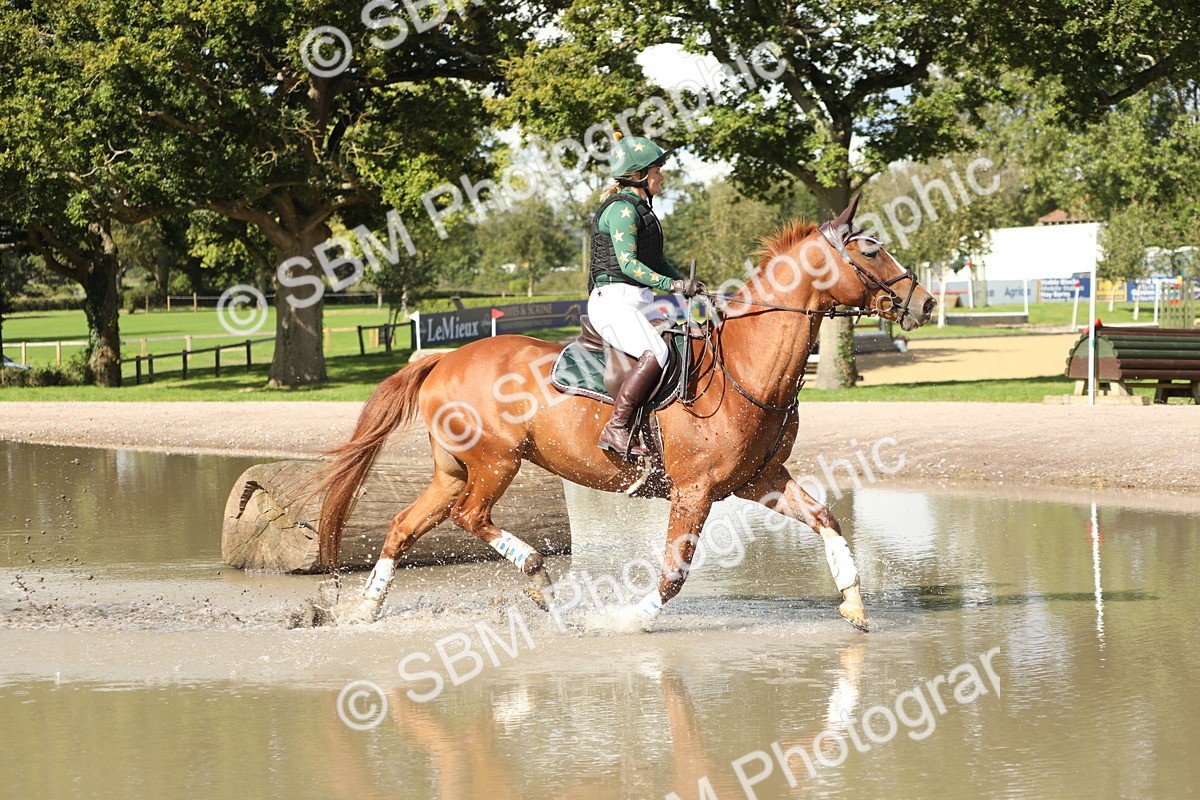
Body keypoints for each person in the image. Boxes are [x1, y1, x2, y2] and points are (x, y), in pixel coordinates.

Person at [588, 132, 702, 457]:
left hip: (638, 302)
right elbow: (629, 264)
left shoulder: (642, 210)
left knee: (682, 339)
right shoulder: (622, 211)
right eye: (657, 170)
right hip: (612, 302)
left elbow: (658, 262)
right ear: (639, 176)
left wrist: (689, 286)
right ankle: (618, 427)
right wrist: (673, 287)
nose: (661, 175)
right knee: (657, 352)